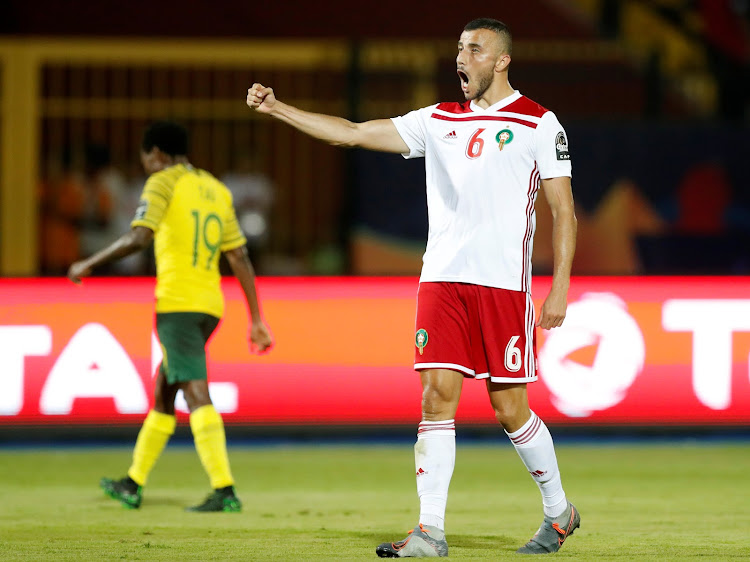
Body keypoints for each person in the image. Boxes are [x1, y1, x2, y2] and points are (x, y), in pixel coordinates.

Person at [247, 17, 579, 556]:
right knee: (436, 395)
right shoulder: (437, 120)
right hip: (442, 281)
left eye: (474, 49)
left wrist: (559, 284)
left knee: (509, 408)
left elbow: (563, 210)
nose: (461, 58)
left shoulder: (539, 123)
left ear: (501, 61)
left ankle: (559, 511)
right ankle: (429, 532)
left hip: (503, 287)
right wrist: (279, 109)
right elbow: (353, 132)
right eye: (458, 48)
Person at [67, 121, 273, 512]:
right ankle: (133, 482)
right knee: (165, 390)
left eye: (146, 158)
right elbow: (239, 255)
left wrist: (89, 263)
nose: (147, 165)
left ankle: (224, 489)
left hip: (177, 305)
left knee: (195, 391)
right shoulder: (215, 187)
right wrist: (256, 317)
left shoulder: (162, 182)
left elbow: (140, 236)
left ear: (156, 154)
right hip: (211, 306)